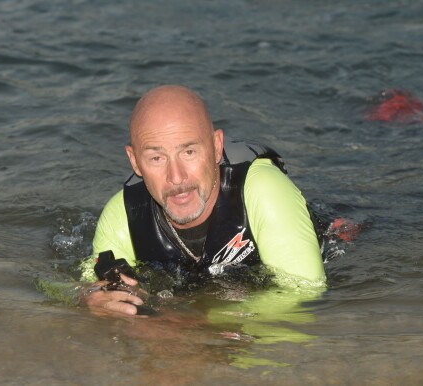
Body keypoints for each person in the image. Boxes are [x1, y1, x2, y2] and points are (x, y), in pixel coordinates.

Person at [80, 85, 325, 316]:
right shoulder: (123, 215)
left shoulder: (263, 189)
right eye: (156, 158)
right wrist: (92, 299)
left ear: (217, 146)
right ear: (135, 162)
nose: (176, 177)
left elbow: (305, 294)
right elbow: (91, 289)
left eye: (189, 152)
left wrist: (198, 323)